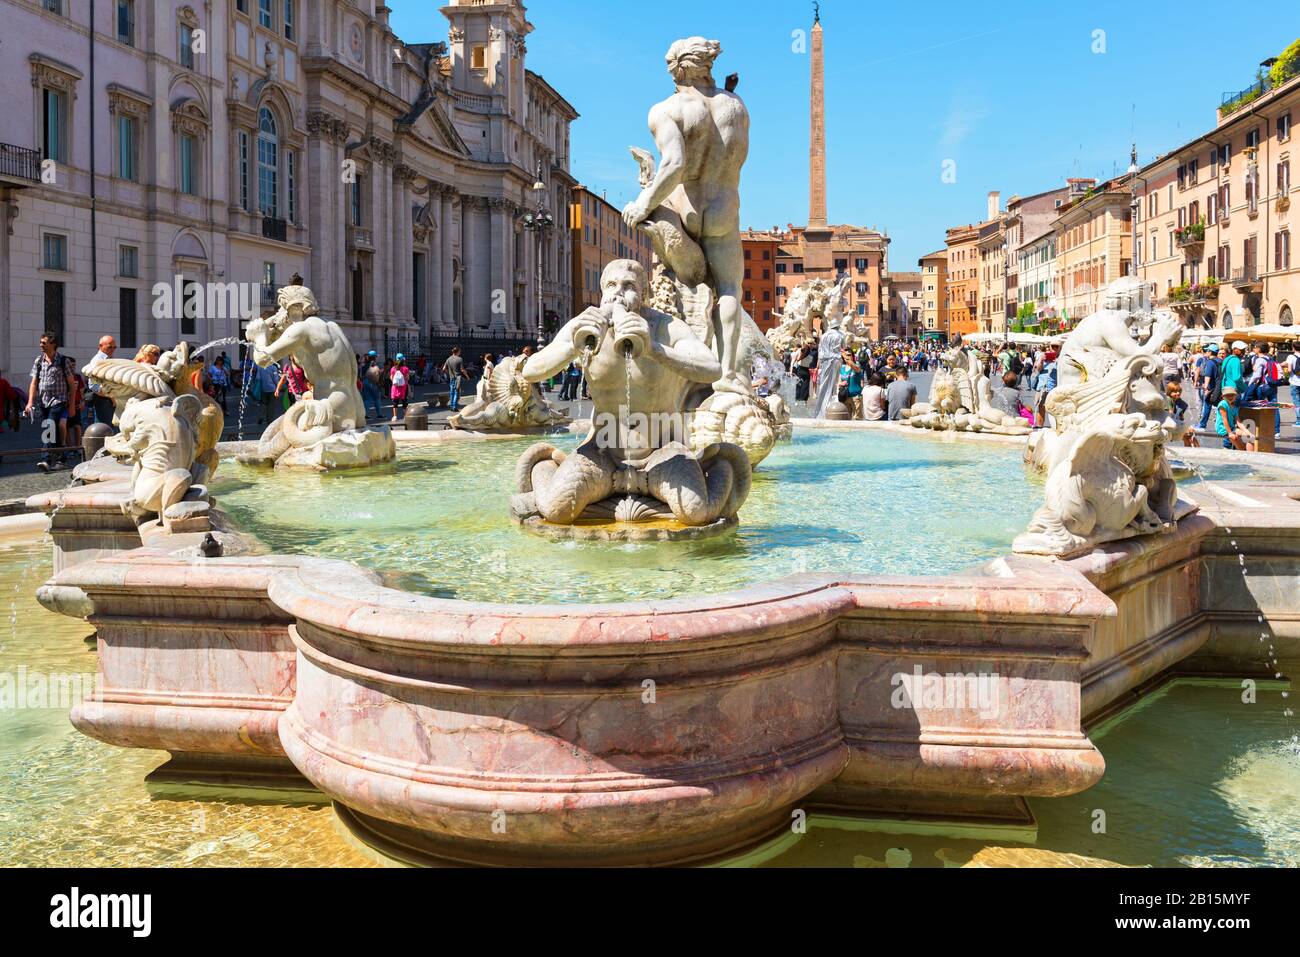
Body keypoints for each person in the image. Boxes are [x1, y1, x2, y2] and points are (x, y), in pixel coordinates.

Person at [25, 333, 76, 472]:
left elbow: (72, 385)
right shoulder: (38, 361)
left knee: (48, 426)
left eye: (44, 342)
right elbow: (34, 383)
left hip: (59, 400)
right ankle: (61, 459)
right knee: (51, 429)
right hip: (44, 401)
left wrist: (72, 405)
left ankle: (45, 459)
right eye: (40, 342)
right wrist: (30, 402)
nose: (41, 345)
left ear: (53, 344)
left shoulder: (63, 361)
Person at [84, 335, 118, 426]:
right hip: (102, 401)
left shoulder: (108, 359)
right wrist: (110, 396)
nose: (112, 349)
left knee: (107, 431)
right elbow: (93, 385)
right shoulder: (98, 360)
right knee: (101, 431)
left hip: (108, 401)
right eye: (109, 347)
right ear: (100, 346)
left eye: (114, 347)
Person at [1215, 386, 1257, 452]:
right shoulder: (1222, 404)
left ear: (1235, 396)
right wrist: (1230, 433)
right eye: (1227, 395)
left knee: (1250, 437)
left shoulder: (1235, 407)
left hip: (1231, 428)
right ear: (1223, 397)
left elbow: (1238, 422)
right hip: (1223, 428)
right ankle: (1245, 454)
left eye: (1232, 395)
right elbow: (1224, 420)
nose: (1230, 397)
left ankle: (1248, 456)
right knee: (1239, 445)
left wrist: (1247, 431)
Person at [1197, 344, 1222, 431]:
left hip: (1212, 388)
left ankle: (1202, 425)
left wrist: (1206, 387)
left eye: (1207, 351)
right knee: (1220, 406)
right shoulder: (1221, 361)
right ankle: (1220, 426)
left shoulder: (1210, 362)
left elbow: (1208, 375)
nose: (1206, 352)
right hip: (1220, 387)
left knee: (1207, 405)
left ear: (1210, 352)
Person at [1166, 380, 1199, 448]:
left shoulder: (1179, 402)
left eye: (1179, 391)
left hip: (1175, 423)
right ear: (1169, 392)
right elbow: (1170, 415)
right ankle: (1192, 451)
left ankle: (1193, 451)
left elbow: (1181, 417)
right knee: (1187, 434)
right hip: (1168, 424)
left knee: (1190, 434)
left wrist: (1187, 427)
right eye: (1175, 392)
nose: (1178, 393)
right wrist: (1184, 428)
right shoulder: (1168, 399)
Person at [837, 348, 864, 419]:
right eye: (846, 355)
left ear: (853, 356)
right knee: (846, 419)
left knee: (857, 419)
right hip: (845, 397)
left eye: (849, 355)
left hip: (856, 397)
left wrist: (847, 359)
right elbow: (838, 381)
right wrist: (841, 383)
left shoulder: (857, 365)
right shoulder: (842, 367)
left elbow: (857, 369)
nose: (847, 357)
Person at [360, 351, 384, 420]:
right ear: (374, 357)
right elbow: (377, 373)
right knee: (377, 399)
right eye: (376, 356)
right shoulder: (373, 364)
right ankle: (379, 414)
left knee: (367, 399)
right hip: (373, 383)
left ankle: (365, 414)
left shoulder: (364, 364)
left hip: (365, 382)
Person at [257, 360, 282, 425]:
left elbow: (258, 378)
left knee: (263, 403)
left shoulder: (260, 367)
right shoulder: (274, 368)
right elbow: (275, 379)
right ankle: (269, 420)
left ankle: (261, 416)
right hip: (272, 389)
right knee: (271, 405)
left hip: (264, 389)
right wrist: (278, 388)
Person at [443, 347, 467, 411]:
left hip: (451, 378)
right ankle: (454, 407)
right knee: (456, 392)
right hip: (458, 378)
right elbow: (462, 370)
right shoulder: (460, 359)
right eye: (460, 351)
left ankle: (451, 406)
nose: (460, 352)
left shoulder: (448, 359)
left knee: (452, 392)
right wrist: (467, 376)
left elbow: (444, 369)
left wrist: (448, 373)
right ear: (458, 352)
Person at [390, 352, 412, 422]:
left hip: (395, 388)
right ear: (403, 360)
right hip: (403, 388)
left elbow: (391, 377)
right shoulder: (405, 368)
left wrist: (396, 382)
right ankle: (405, 416)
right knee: (404, 402)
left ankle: (395, 416)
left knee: (395, 403)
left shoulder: (393, 368)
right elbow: (407, 378)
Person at [1287, 347, 1300, 427]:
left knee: (1297, 402)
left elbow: (1289, 369)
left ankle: (1299, 421)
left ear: (1293, 348)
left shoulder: (1291, 357)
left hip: (1294, 382)